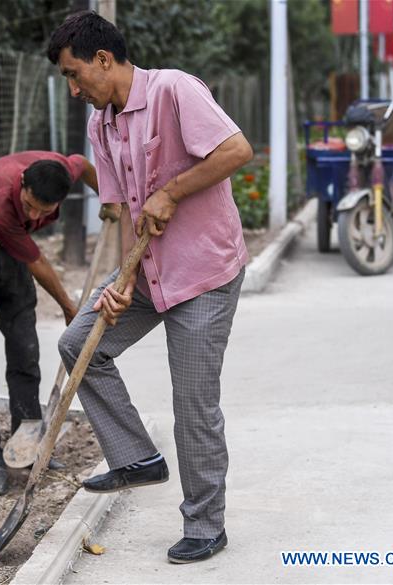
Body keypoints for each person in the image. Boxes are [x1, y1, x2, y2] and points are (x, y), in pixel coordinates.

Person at [47, 11, 253, 564]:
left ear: (103, 60)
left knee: (192, 401)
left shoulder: (174, 89)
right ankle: (136, 457)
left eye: (74, 75)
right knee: (79, 344)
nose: (73, 89)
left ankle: (206, 524)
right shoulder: (101, 125)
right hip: (150, 269)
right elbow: (121, 213)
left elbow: (236, 151)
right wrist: (122, 282)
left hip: (204, 271)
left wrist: (174, 190)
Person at [0, 151, 97, 495]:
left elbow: (84, 164)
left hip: (11, 247)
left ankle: (27, 444)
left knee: (24, 348)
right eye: (29, 206)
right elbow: (36, 260)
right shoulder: (1, 199)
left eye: (45, 212)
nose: (34, 215)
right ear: (23, 184)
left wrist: (112, 201)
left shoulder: (60, 172)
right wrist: (68, 306)